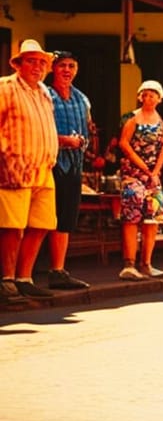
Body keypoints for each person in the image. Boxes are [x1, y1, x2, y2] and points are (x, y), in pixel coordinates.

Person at [0, 39, 58, 300]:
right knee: (13, 226)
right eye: (31, 61)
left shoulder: (44, 91)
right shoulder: (5, 87)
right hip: (15, 167)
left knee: (42, 223)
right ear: (19, 64)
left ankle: (25, 277)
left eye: (41, 62)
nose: (37, 66)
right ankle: (7, 279)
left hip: (43, 168)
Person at [44, 51, 93, 289]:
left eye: (71, 66)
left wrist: (84, 142)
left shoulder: (82, 99)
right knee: (39, 219)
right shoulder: (45, 95)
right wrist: (64, 140)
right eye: (62, 65)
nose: (67, 70)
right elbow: (39, 130)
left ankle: (58, 270)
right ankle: (24, 274)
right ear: (53, 68)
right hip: (47, 164)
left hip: (73, 165)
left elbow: (88, 128)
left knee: (65, 219)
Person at [115, 81, 163, 280]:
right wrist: (145, 168)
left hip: (152, 177)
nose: (148, 98)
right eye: (145, 95)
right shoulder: (132, 118)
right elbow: (124, 144)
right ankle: (129, 263)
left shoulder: (160, 121)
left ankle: (146, 262)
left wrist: (155, 171)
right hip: (133, 174)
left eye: (153, 95)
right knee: (131, 216)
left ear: (159, 98)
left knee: (152, 217)